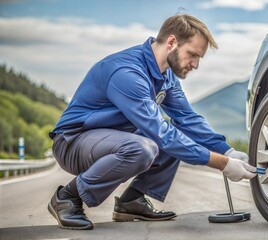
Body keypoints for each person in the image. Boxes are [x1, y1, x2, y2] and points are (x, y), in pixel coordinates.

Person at [47, 13, 257, 230]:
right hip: (73, 142)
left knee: (176, 135)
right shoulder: (127, 72)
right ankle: (67, 197)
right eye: (192, 54)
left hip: (111, 140)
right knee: (145, 147)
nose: (195, 64)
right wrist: (222, 164)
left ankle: (132, 201)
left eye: (199, 58)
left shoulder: (166, 76)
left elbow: (187, 119)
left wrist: (227, 151)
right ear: (172, 42)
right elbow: (160, 133)